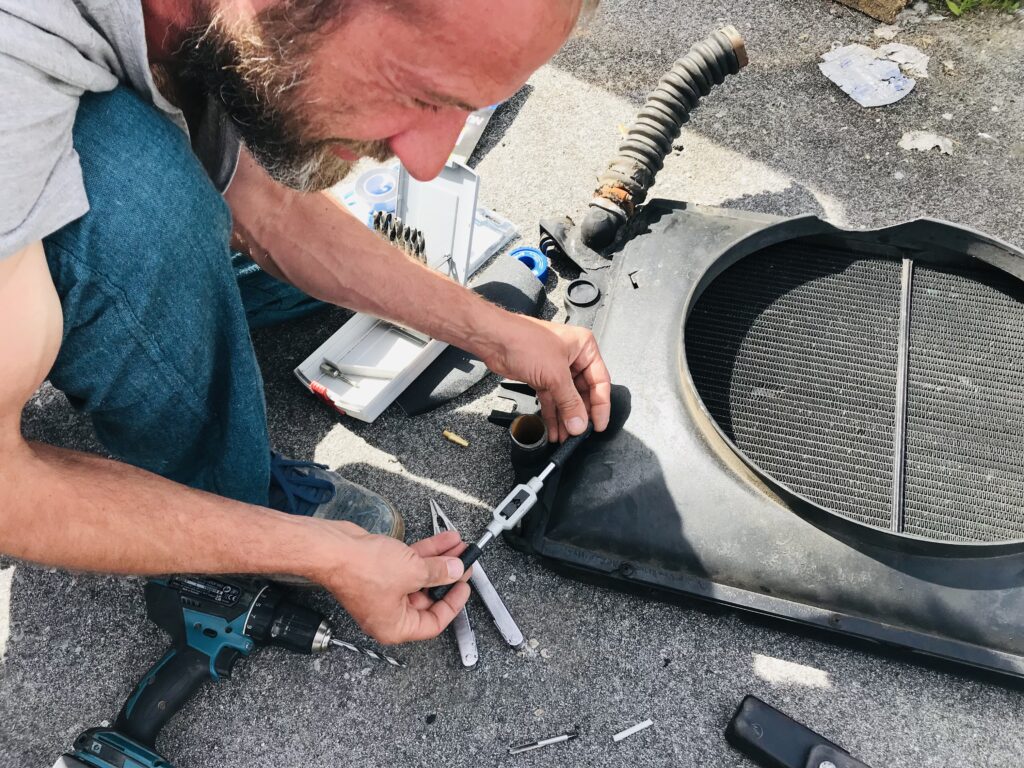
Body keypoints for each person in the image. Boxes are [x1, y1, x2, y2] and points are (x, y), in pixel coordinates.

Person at [0, 0, 610, 646]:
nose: (428, 163)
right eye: (422, 93)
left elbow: (269, 212)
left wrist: (494, 332)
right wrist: (316, 552)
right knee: (148, 203)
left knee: (296, 214)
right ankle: (228, 492)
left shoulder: (228, 24)